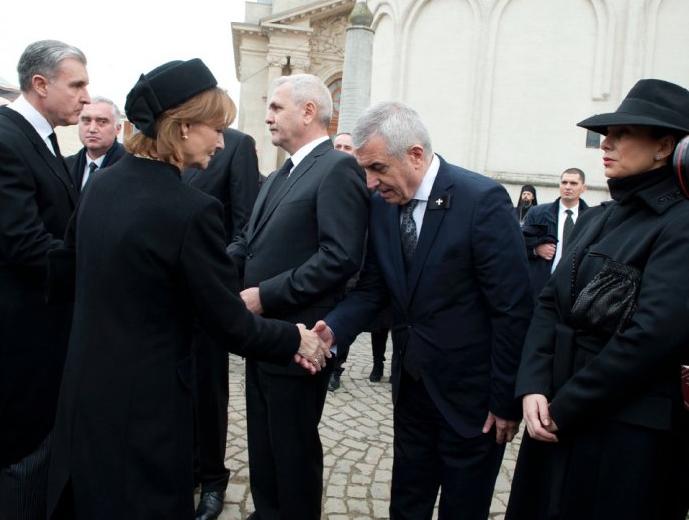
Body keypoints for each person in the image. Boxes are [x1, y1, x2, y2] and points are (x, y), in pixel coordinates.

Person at [45, 59, 330, 520]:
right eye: (215, 128)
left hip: (85, 393)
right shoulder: (189, 210)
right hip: (146, 410)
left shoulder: (102, 185)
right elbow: (231, 324)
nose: (221, 141)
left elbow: (64, 273)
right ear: (181, 129)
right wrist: (296, 337)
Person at [313, 101, 534, 520]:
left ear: (415, 154)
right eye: (366, 170)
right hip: (412, 389)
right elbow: (375, 287)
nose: (371, 182)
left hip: (472, 403)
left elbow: (512, 308)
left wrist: (506, 399)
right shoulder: (382, 206)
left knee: (462, 508)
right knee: (407, 503)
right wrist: (335, 329)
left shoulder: (481, 199)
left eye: (377, 168)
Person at [506, 78, 689, 520]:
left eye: (624, 133)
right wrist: (532, 386)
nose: (606, 143)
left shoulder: (679, 224)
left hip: (623, 434)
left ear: (664, 145)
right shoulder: (599, 217)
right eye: (608, 133)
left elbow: (651, 338)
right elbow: (549, 303)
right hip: (555, 416)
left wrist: (564, 407)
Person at [227, 73, 369, 520]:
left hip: (299, 335)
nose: (267, 117)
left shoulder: (337, 167)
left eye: (275, 107)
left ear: (308, 111)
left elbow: (339, 256)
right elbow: (246, 242)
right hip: (262, 334)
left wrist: (264, 296)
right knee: (263, 438)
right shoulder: (279, 174)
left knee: (293, 447)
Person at [0, 39, 88, 520]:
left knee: (18, 454)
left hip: (39, 321)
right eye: (76, 84)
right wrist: (99, 266)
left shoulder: (37, 134)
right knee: (14, 451)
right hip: (15, 331)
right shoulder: (1, 141)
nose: (85, 96)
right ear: (40, 85)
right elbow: (26, 245)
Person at [182, 127, 261, 520]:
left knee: (208, 391)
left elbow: (245, 226)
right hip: (162, 299)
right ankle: (183, 471)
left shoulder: (235, 145)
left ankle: (213, 480)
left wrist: (212, 273)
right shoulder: (160, 148)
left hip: (209, 293)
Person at [328, 131, 391, 389]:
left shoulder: (372, 188)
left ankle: (358, 365)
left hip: (364, 265)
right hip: (334, 269)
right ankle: (333, 367)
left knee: (366, 323)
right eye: (339, 145)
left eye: (348, 147)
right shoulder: (327, 182)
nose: (343, 150)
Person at [521, 169, 588, 300]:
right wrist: (535, 250)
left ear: (584, 188)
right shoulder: (537, 213)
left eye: (573, 183)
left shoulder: (592, 217)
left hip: (575, 288)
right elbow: (519, 243)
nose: (568, 187)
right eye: (564, 182)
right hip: (541, 285)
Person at [66, 96, 126, 191]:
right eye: (86, 121)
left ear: (118, 129)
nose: (92, 129)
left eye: (102, 122)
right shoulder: (65, 166)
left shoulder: (133, 168)